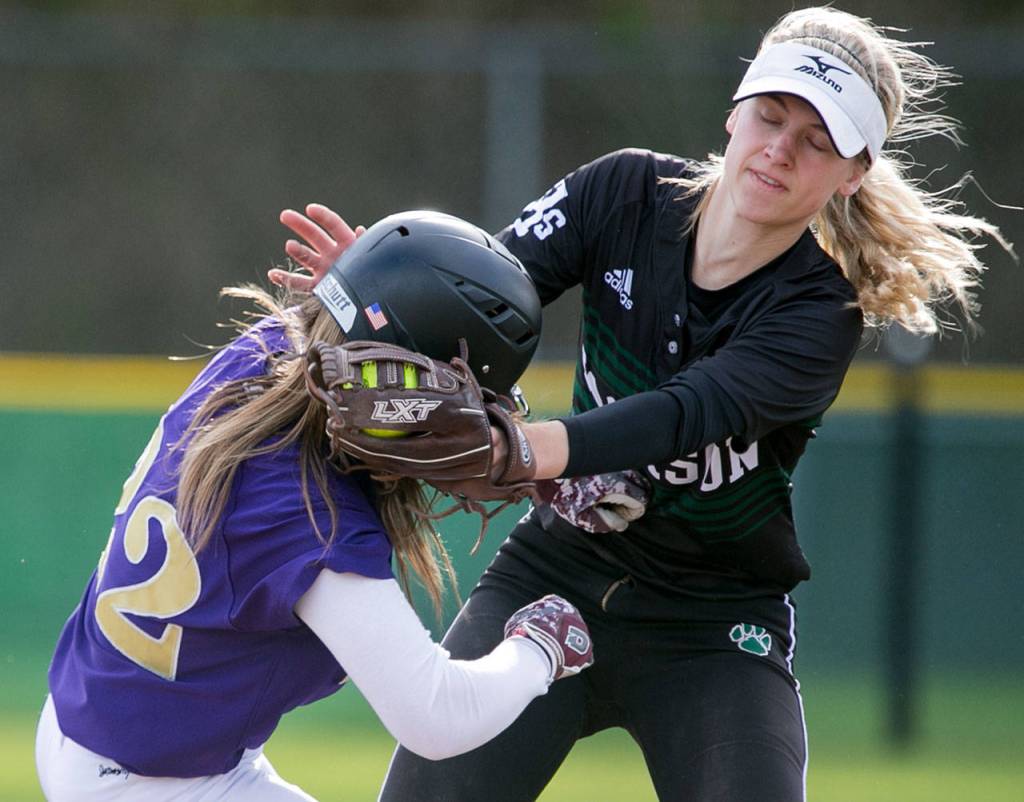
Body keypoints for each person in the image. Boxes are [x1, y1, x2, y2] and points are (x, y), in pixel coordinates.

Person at [275, 7, 1014, 801]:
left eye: (817, 140)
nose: (779, 148)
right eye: (770, 116)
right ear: (735, 112)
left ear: (854, 172)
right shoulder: (624, 192)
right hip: (554, 572)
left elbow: (685, 412)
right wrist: (392, 303)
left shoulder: (816, 312)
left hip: (711, 623)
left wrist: (521, 452)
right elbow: (484, 297)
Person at [34, 210, 595, 801]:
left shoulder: (263, 352)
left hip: (96, 727)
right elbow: (437, 716)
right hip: (147, 782)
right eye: (469, 403)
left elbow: (343, 351)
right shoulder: (310, 516)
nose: (475, 429)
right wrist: (539, 646)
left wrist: (375, 287)